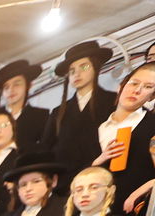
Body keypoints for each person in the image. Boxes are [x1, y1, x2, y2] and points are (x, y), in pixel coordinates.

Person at [92, 62, 155, 214]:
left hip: (135, 210)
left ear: (153, 95)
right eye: (134, 83)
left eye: (148, 87)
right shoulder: (96, 126)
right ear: (121, 85)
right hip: (94, 211)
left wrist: (143, 191)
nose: (137, 90)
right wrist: (99, 161)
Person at [44, 41, 118, 173]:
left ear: (96, 67)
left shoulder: (113, 101)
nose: (76, 74)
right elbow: (46, 149)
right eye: (72, 71)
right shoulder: (57, 112)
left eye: (83, 67)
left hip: (103, 173)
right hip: (65, 181)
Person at [0, 60, 49, 152]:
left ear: (28, 85)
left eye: (16, 84)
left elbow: (47, 148)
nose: (11, 90)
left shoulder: (41, 116)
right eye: (6, 87)